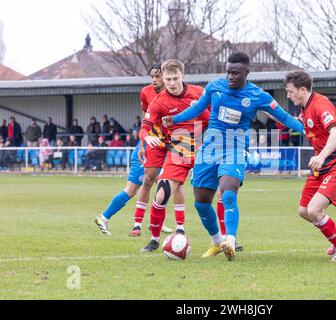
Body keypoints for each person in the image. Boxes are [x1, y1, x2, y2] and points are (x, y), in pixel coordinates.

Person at [162, 52, 304, 261]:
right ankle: (218, 242)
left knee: (228, 192)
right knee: (201, 203)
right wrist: (173, 119)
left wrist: (308, 128)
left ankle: (231, 239)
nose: (230, 76)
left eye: (235, 73)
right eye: (228, 72)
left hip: (235, 148)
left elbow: (283, 117)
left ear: (247, 72)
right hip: (210, 148)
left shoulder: (258, 95)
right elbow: (197, 110)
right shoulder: (214, 87)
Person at [94, 64, 175, 236]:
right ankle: (104, 217)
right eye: (152, 76)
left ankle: (154, 222)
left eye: (157, 76)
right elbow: (147, 123)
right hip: (146, 148)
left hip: (160, 147)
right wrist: (143, 145)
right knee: (132, 189)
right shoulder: (146, 92)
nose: (154, 79)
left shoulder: (170, 93)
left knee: (164, 184)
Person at [139, 59, 211, 253]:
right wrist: (147, 138)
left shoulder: (199, 92)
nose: (171, 83)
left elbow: (214, 118)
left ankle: (227, 239)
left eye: (175, 78)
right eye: (168, 79)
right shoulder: (158, 102)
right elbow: (144, 128)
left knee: (223, 191)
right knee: (161, 193)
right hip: (181, 146)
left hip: (206, 144)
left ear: (183, 76)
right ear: (163, 78)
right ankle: (154, 239)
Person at [285, 70, 336, 262]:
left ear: (302, 89)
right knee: (304, 211)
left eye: (290, 92)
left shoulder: (320, 105)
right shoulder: (305, 108)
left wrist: (322, 156)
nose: (288, 96)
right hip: (322, 168)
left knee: (314, 210)